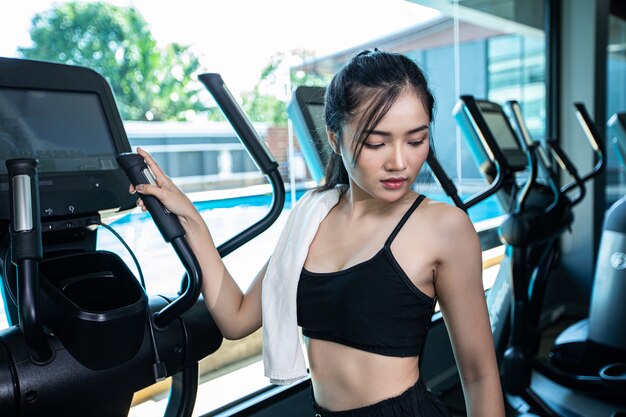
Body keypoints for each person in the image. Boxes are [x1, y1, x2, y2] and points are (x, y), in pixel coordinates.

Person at [130, 49, 505, 417]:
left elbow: (479, 374)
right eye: (376, 142)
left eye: (416, 140)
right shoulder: (312, 217)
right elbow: (236, 317)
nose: (400, 162)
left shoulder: (444, 227)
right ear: (335, 138)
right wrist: (191, 220)